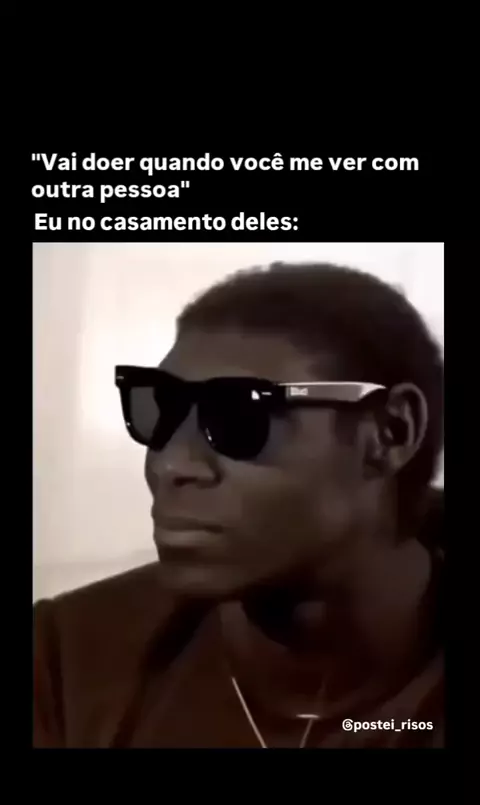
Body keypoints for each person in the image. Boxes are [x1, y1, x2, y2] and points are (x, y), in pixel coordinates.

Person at [34, 262, 444, 749]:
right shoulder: (68, 660)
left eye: (239, 415)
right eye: (159, 409)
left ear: (390, 432)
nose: (170, 464)